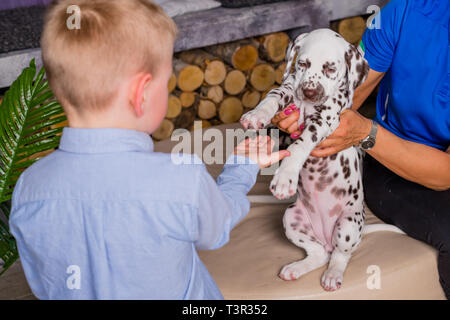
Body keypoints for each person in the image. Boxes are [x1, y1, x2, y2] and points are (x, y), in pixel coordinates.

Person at [9, 0, 289, 299]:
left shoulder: (28, 188)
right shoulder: (181, 179)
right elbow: (216, 226)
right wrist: (242, 167)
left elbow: (44, 282)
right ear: (140, 93)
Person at [272, 0, 450, 298]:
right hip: (389, 161)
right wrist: (299, 116)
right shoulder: (404, 10)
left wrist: (364, 132)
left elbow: (445, 175)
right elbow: (344, 97)